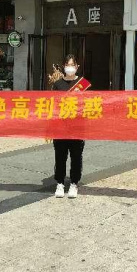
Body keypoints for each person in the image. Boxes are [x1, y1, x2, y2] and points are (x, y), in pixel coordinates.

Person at [52, 54, 91, 199]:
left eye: (72, 65)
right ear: (64, 66)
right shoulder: (57, 84)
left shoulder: (83, 84)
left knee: (76, 157)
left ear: (77, 67)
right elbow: (53, 105)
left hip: (77, 127)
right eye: (67, 65)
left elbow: (89, 105)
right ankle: (60, 183)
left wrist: (80, 98)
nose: (70, 67)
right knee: (60, 156)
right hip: (61, 127)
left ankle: (74, 183)